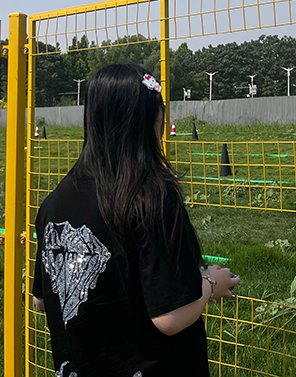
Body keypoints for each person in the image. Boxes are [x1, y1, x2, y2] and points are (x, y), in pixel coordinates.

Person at [32, 63, 239, 377]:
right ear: (149, 120)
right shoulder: (151, 198)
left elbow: (42, 300)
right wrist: (210, 284)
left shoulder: (54, 202)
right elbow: (170, 316)